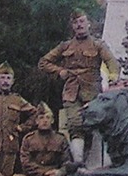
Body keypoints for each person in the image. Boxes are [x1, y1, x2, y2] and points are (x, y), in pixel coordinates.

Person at [37, 11, 121, 163]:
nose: (79, 25)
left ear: (88, 24)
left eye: (82, 21)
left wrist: (113, 78)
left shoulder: (98, 45)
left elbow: (112, 63)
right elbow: (43, 62)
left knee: (91, 128)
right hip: (71, 93)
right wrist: (60, 71)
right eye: (76, 23)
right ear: (72, 26)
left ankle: (94, 165)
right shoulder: (65, 46)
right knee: (75, 126)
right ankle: (77, 163)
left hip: (92, 93)